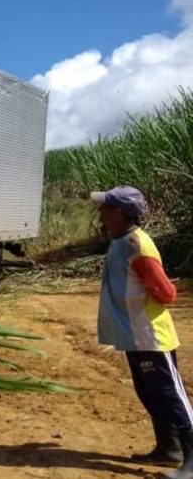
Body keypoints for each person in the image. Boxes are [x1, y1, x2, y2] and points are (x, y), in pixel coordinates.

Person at [92, 186, 189, 477]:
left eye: (105, 209)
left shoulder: (138, 244)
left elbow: (167, 293)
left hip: (151, 336)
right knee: (150, 394)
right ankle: (168, 449)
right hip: (133, 336)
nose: (101, 214)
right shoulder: (120, 241)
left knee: (170, 395)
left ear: (119, 212)